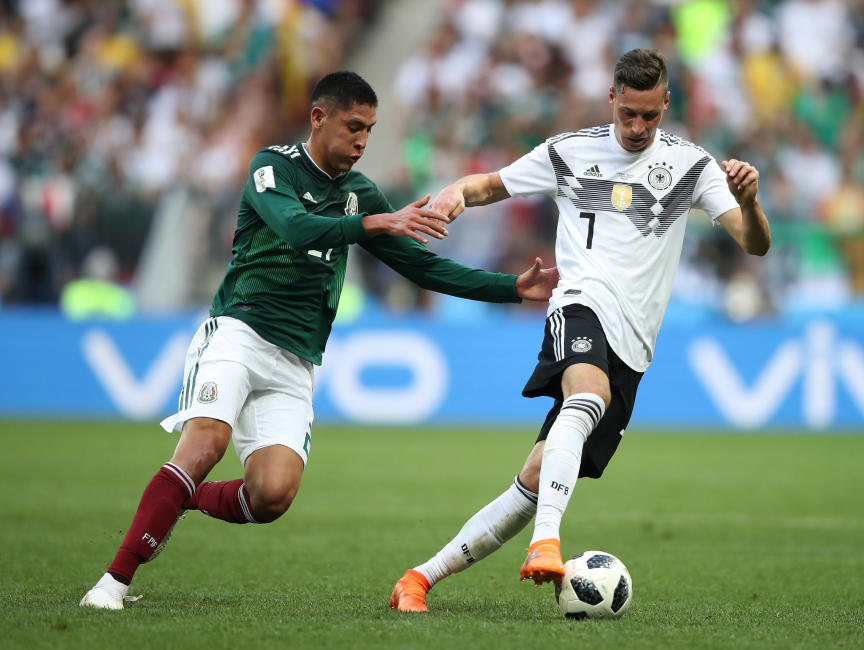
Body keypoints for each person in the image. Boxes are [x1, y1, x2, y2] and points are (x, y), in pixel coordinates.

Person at [80, 71, 558, 610]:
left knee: (272, 496)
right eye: (353, 126)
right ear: (319, 117)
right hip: (239, 331)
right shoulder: (272, 167)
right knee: (206, 444)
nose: (361, 140)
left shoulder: (360, 195)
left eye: (370, 130)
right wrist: (375, 224)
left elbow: (424, 269)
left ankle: (181, 500)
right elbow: (297, 227)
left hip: (295, 359)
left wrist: (512, 288)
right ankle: (112, 584)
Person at [389, 48, 771, 612]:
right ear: (612, 99)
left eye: (649, 115)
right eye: (628, 115)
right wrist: (455, 194)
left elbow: (754, 243)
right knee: (587, 392)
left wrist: (749, 201)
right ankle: (547, 543)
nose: (637, 127)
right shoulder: (569, 152)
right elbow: (488, 185)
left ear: (666, 103)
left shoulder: (691, 165)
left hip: (635, 343)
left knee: (537, 476)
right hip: (578, 301)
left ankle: (418, 578)